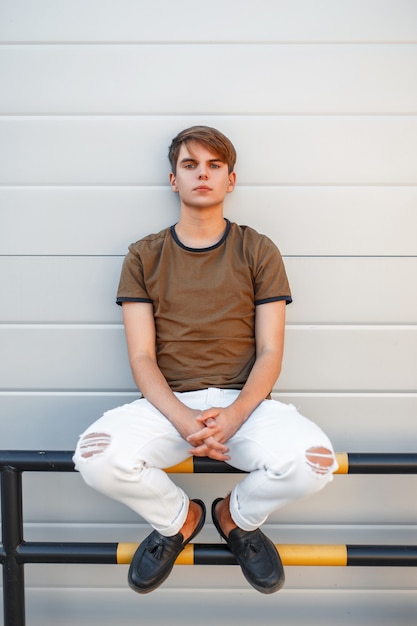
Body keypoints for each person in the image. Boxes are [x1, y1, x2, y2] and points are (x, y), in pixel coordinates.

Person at [73, 125, 338, 595]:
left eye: (214, 166)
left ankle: (234, 517)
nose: (202, 174)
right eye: (190, 165)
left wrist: (234, 415)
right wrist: (184, 417)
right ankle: (179, 519)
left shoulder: (258, 249)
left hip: (246, 406)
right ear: (173, 180)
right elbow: (141, 355)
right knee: (94, 458)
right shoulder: (143, 255)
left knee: (314, 464)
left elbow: (271, 351)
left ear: (230, 180)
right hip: (168, 406)